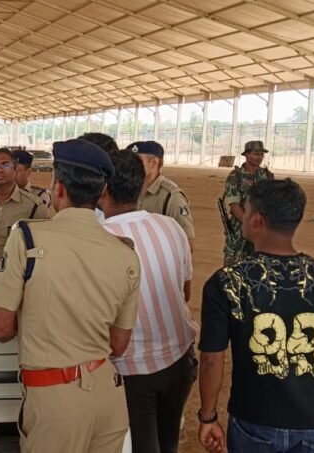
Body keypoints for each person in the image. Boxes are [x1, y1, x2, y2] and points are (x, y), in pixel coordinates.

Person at [0, 139, 142, 453]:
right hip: (109, 396)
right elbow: (118, 344)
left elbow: (0, 328)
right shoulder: (126, 254)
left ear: (58, 187)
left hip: (55, 400)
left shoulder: (27, 237)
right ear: (102, 192)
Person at [198, 178, 314, 453]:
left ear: (257, 220)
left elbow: (212, 359)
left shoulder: (227, 282)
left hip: (255, 418)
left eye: (246, 210)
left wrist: (208, 417)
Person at [99, 150, 198, 453]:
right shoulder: (170, 227)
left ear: (102, 188)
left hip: (131, 369)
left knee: (140, 444)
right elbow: (185, 292)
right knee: (168, 442)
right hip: (179, 359)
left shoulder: (98, 238)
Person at [0, 147, 49, 270]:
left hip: (13, 276)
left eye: (5, 165)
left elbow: (40, 247)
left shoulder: (34, 206)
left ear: (15, 170)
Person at [126, 140, 196, 243]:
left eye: (135, 161)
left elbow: (187, 242)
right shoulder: (126, 189)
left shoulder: (171, 197)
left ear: (153, 163)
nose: (128, 165)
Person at [221, 140, 274, 265]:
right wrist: (249, 224)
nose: (259, 157)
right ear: (246, 154)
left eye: (261, 154)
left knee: (259, 265)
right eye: (256, 154)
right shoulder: (235, 176)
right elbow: (234, 205)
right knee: (233, 266)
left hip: (261, 229)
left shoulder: (268, 176)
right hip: (239, 230)